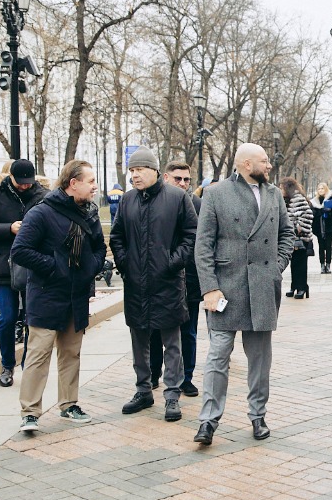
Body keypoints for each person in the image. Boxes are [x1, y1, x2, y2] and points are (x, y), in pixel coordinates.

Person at [192, 143, 294, 444]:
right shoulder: (216, 194)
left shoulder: (275, 195)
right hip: (226, 288)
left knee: (260, 359)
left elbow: (287, 234)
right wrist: (210, 288)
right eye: (264, 161)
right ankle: (208, 421)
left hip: (263, 286)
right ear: (247, 164)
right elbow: (203, 247)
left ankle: (258, 415)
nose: (269, 166)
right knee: (218, 356)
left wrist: (277, 265)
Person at [10, 160, 106, 433]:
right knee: (38, 355)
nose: (94, 186)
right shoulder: (41, 213)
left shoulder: (89, 213)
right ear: (72, 183)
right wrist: (55, 266)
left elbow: (99, 247)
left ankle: (69, 404)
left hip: (76, 296)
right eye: (90, 181)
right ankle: (30, 412)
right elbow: (21, 250)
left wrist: (91, 267)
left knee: (71, 354)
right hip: (46, 295)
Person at [109, 148, 198, 422]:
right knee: (139, 342)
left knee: (172, 342)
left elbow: (191, 235)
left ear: (154, 171)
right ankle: (143, 390)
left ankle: (172, 395)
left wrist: (172, 263)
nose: (134, 175)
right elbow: (117, 236)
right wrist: (126, 264)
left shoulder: (177, 198)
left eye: (139, 170)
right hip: (136, 284)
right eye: (131, 171)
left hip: (168, 283)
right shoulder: (127, 201)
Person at [0, 159, 47, 387]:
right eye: (20, 182)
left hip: (32, 265)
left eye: (29, 182)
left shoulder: (43, 195)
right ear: (10, 177)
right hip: (2, 266)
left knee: (30, 319)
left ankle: (28, 364)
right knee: (7, 318)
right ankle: (7, 364)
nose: (25, 186)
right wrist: (9, 228)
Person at [148, 162, 204, 397]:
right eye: (177, 178)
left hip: (190, 277)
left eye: (186, 179)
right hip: (159, 278)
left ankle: (185, 377)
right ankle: (153, 374)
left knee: (188, 331)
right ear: (166, 177)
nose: (182, 183)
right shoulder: (154, 202)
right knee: (154, 330)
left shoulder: (199, 205)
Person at [281, 177, 313, 299]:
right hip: (289, 238)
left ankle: (302, 287)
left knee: (300, 263)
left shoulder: (298, 200)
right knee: (293, 264)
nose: (280, 189)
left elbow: (308, 216)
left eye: (282, 187)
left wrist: (298, 228)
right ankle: (294, 286)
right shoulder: (286, 200)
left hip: (300, 238)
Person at [309, 182, 332, 274]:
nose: (320, 190)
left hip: (329, 227)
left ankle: (328, 265)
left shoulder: (331, 199)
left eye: (322, 188)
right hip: (319, 228)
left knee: (328, 247)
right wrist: (319, 213)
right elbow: (311, 214)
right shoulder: (314, 201)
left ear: (325, 189)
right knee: (321, 247)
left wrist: (330, 214)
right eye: (319, 189)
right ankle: (322, 265)